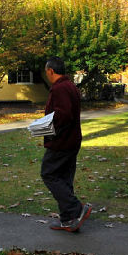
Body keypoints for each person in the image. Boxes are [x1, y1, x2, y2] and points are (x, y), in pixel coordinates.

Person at [41, 57, 91, 232]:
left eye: (46, 71)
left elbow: (63, 115)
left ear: (51, 71)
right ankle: (69, 220)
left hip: (61, 141)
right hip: (72, 139)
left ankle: (76, 209)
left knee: (49, 174)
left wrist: (43, 125)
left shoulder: (60, 88)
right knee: (64, 178)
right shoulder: (71, 86)